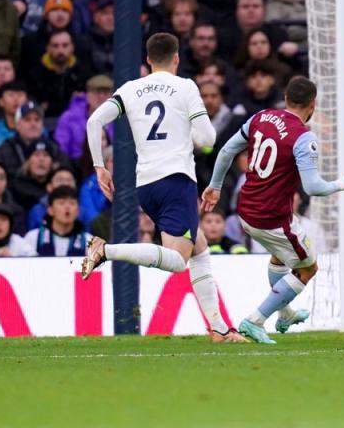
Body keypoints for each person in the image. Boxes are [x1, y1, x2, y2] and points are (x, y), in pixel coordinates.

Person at [82, 32, 246, 343]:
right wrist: (190, 129)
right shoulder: (185, 86)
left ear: (147, 59)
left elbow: (93, 122)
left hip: (146, 186)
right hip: (177, 180)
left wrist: (99, 166)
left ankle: (219, 328)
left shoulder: (130, 89)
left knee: (198, 247)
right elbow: (208, 139)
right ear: (176, 58)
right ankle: (106, 250)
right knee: (176, 261)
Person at [201, 77, 344, 343]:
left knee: (280, 257)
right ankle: (255, 320)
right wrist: (341, 184)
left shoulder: (261, 116)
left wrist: (215, 186)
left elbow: (226, 150)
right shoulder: (303, 137)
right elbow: (313, 187)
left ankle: (285, 313)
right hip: (271, 217)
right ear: (312, 104)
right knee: (308, 268)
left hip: (246, 209)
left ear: (285, 98)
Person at [22, 186, 87, 256]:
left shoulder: (88, 240)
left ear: (78, 211)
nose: (67, 207)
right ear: (50, 210)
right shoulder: (33, 237)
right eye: (62, 203)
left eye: (72, 203)